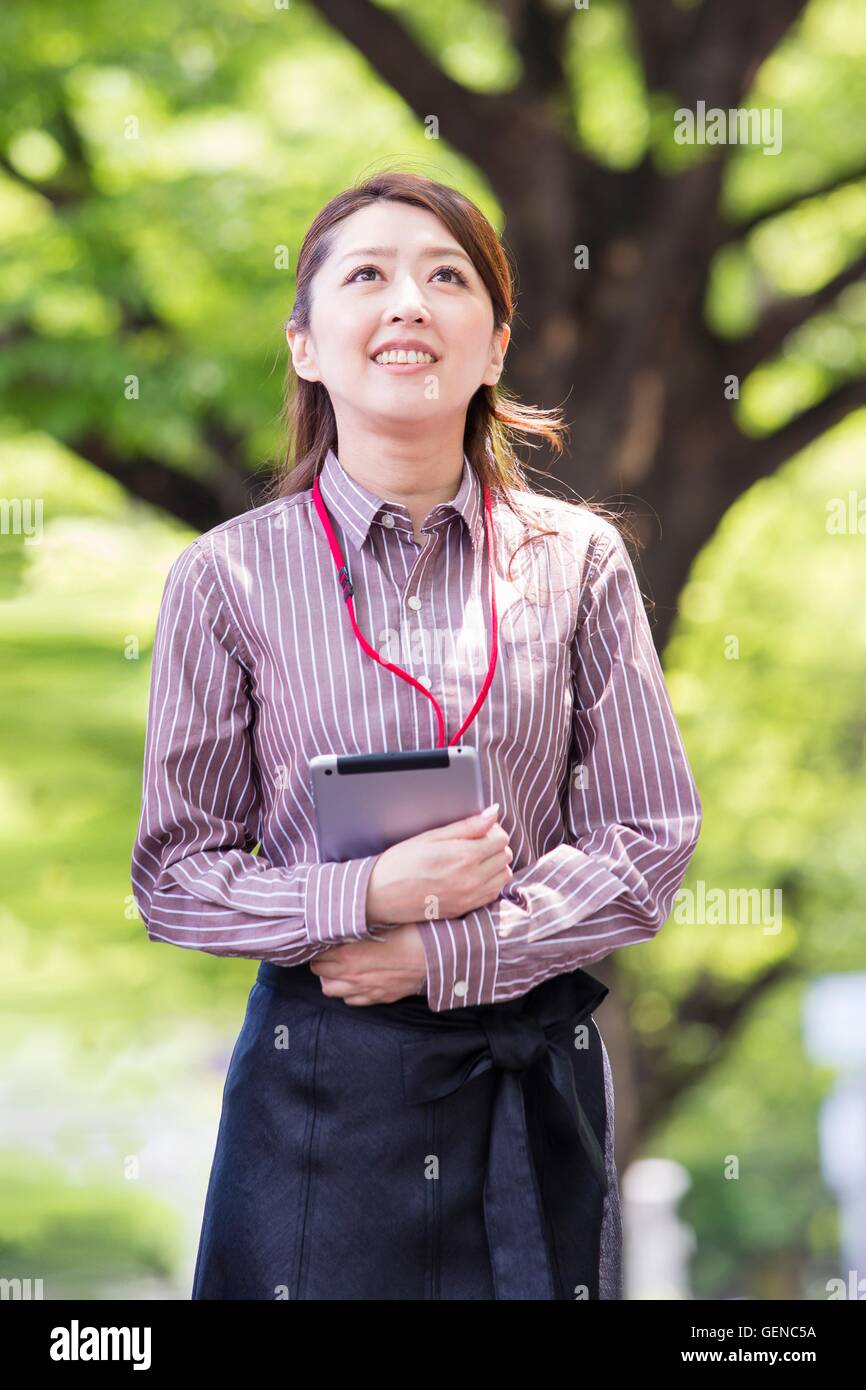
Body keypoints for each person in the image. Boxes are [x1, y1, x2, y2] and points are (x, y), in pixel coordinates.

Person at [129, 170, 702, 1301]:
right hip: (320, 1084)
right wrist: (367, 896)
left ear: (493, 345)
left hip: (527, 1072)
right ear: (305, 344)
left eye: (447, 277)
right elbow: (174, 878)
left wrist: (445, 952)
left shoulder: (577, 561)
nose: (408, 303)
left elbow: (647, 838)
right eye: (367, 276)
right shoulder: (226, 576)